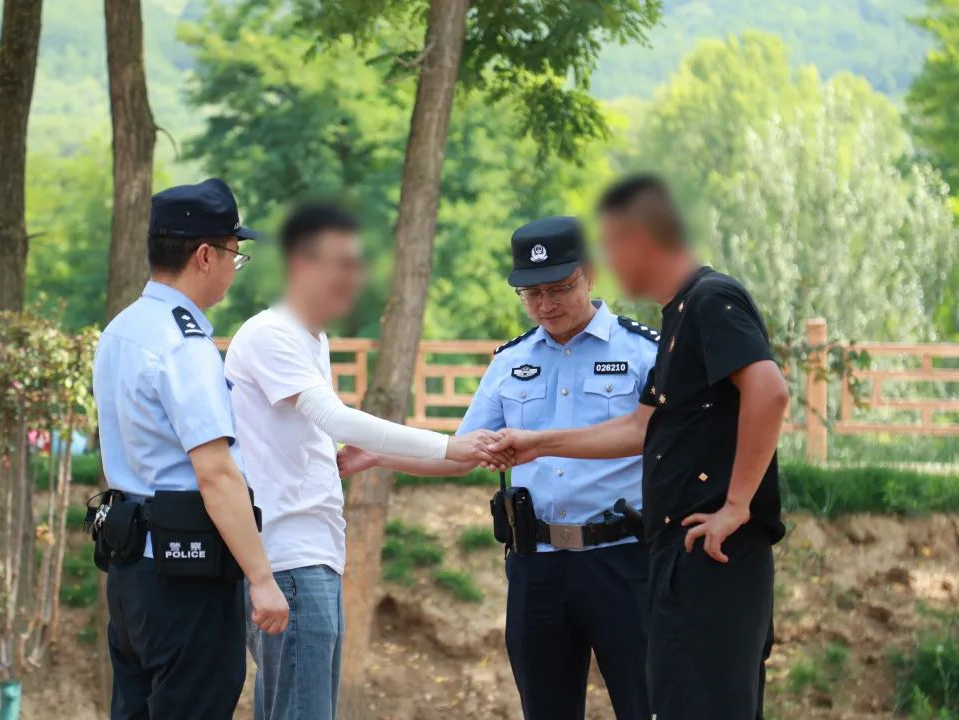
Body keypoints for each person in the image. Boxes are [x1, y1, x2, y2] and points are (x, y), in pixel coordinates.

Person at [487, 175, 789, 720]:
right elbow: (638, 427)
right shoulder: (677, 318)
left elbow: (769, 392)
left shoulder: (709, 299)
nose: (607, 264)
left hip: (701, 552)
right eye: (534, 292)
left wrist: (737, 504)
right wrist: (538, 443)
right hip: (664, 555)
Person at [338, 216, 656, 720]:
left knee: (648, 704)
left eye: (559, 288)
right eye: (532, 294)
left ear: (591, 274)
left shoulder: (643, 352)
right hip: (538, 564)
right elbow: (462, 452)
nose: (546, 304)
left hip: (624, 560)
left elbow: (653, 437)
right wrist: (378, 455)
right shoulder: (511, 361)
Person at [223, 202, 512, 720]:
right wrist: (449, 444)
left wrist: (373, 455)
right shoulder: (272, 334)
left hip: (313, 555)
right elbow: (336, 419)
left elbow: (312, 434)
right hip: (289, 559)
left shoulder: (311, 337)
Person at [93, 178, 289, 720]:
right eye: (234, 253)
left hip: (131, 570)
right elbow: (216, 474)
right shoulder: (184, 344)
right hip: (186, 576)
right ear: (205, 255)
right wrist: (262, 579)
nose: (234, 266)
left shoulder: (121, 329)